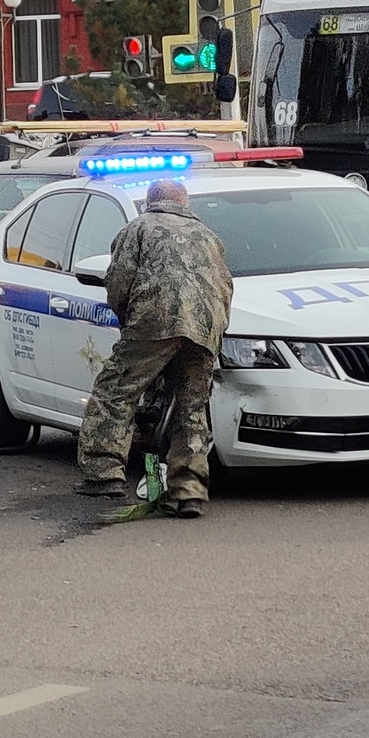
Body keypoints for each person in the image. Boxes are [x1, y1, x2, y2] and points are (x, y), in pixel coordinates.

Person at [74, 179, 234, 519]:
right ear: (185, 202)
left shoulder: (139, 228)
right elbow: (225, 286)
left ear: (150, 201)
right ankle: (189, 489)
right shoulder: (209, 236)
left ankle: (104, 473)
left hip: (154, 322)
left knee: (116, 391)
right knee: (192, 406)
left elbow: (118, 281)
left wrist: (128, 322)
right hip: (205, 327)